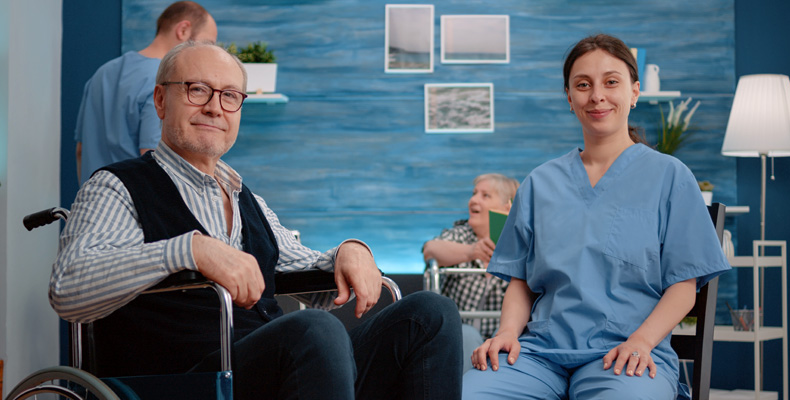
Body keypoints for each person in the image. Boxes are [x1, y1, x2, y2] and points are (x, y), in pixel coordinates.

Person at [51, 41, 462, 400]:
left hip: (279, 373)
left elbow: (305, 269)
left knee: (430, 312)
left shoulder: (247, 198)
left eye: (230, 95)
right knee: (314, 330)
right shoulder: (116, 187)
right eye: (197, 90)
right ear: (160, 100)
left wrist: (348, 251)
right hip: (186, 381)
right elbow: (69, 288)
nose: (214, 106)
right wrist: (189, 249)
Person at [463, 34, 730, 400]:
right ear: (569, 98)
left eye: (611, 82)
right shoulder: (540, 183)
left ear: (634, 92)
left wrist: (641, 341)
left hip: (626, 356)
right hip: (540, 354)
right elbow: (521, 282)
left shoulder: (671, 177)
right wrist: (508, 333)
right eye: (583, 85)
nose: (597, 95)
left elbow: (684, 286)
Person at [74, 1, 217, 185]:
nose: (207, 54)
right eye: (207, 44)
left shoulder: (102, 73)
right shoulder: (164, 82)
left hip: (93, 202)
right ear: (183, 30)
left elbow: (81, 150)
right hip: (135, 208)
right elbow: (155, 161)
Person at [422, 173, 519, 373]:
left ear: (507, 207)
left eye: (485, 195)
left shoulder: (520, 243)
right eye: (474, 194)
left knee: (502, 340)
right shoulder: (460, 234)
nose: (473, 200)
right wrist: (471, 251)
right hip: (460, 334)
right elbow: (430, 249)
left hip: (499, 333)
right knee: (465, 334)